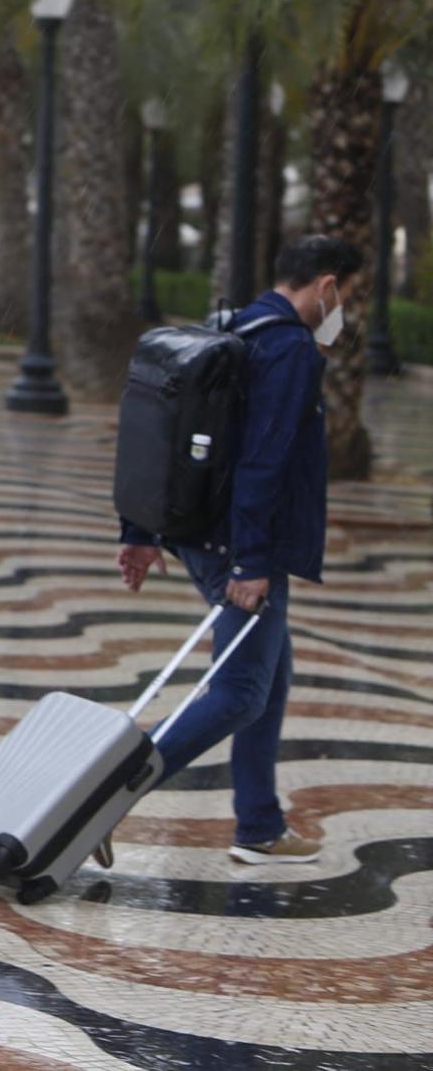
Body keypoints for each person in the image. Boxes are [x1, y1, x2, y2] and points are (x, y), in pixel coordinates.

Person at [116, 234, 363, 866]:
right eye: (347, 295)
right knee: (242, 692)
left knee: (270, 676)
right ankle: (102, 798)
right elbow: (262, 461)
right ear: (326, 286)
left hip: (204, 532)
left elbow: (160, 434)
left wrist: (140, 532)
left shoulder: (232, 328)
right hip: (240, 544)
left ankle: (259, 825)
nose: (345, 311)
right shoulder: (287, 349)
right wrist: (252, 562)